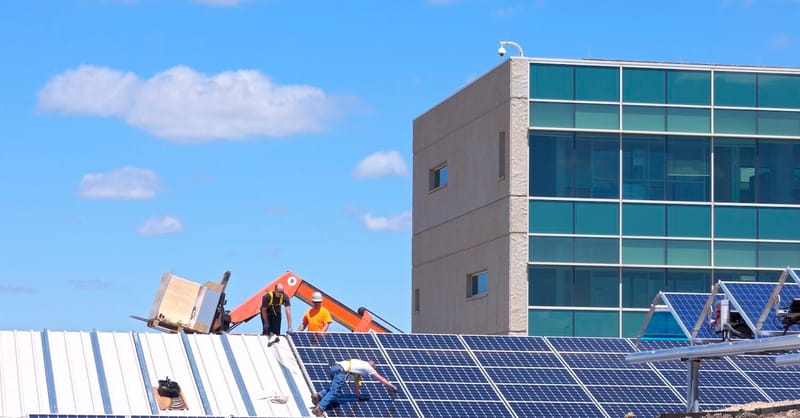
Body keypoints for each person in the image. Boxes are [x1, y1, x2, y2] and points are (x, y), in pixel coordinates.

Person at [310, 359, 397, 417]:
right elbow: (380, 378)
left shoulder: (359, 364)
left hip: (334, 368)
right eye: (374, 368)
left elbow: (356, 384)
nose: (373, 370)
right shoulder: (368, 367)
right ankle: (319, 408)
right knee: (334, 392)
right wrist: (391, 386)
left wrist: (358, 396)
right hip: (341, 372)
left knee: (335, 389)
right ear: (372, 365)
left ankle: (318, 395)